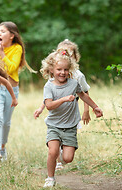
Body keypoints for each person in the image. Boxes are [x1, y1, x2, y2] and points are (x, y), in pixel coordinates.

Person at [40, 49, 103, 187]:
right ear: (51, 69)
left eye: (66, 69)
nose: (62, 72)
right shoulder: (49, 86)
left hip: (70, 126)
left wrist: (95, 107)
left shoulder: (73, 84)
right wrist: (63, 99)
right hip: (54, 125)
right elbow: (49, 105)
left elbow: (83, 95)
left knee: (68, 158)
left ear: (70, 70)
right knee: (52, 151)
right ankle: (50, 178)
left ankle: (61, 156)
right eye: (59, 69)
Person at [34, 39, 92, 170]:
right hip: (57, 114)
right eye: (61, 53)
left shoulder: (78, 76)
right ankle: (56, 159)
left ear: (74, 57)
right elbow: (48, 98)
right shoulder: (55, 76)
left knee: (68, 147)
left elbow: (84, 93)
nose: (65, 55)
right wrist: (41, 108)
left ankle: (64, 153)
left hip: (71, 111)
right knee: (54, 144)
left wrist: (87, 110)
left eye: (68, 54)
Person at [0, 21, 35, 161]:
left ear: (12, 35)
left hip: (12, 90)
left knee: (6, 122)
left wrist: (2, 53)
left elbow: (11, 68)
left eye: (3, 31)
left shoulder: (17, 49)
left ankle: (2, 147)